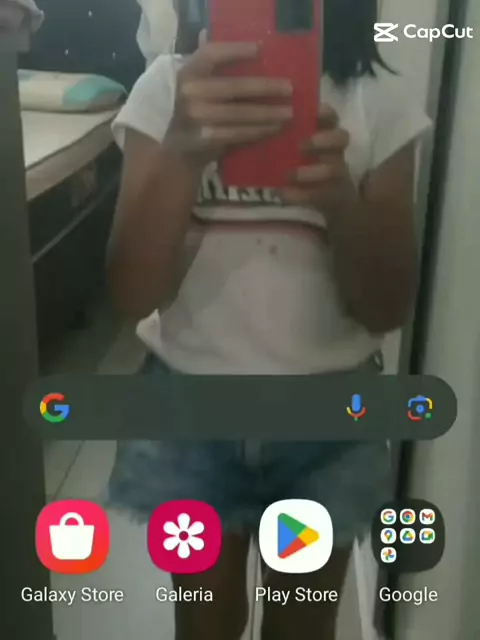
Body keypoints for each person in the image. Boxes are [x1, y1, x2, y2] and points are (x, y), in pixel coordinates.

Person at [106, 1, 431, 638]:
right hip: (189, 416)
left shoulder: (377, 100)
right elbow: (132, 291)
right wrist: (181, 156)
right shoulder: (168, 90)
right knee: (204, 626)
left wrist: (339, 200)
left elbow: (387, 305)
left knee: (300, 629)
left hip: (329, 426)